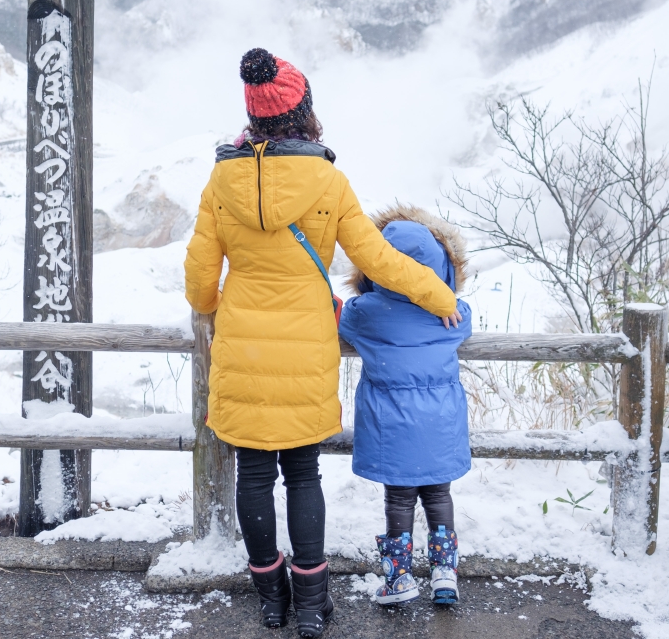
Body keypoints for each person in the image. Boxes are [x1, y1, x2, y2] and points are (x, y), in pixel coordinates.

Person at [184, 48, 462, 637]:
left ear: (253, 117)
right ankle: (312, 604)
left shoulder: (220, 179)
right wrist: (440, 297)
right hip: (306, 348)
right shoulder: (327, 180)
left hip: (241, 349)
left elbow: (200, 286)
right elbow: (379, 260)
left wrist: (220, 305)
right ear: (304, 111)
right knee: (302, 473)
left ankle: (272, 599)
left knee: (253, 476)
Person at [337, 206, 472, 606]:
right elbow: (464, 317)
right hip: (441, 422)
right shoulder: (450, 311)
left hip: (391, 423)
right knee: (438, 495)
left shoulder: (367, 314)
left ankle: (399, 578)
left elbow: (341, 319)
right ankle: (444, 573)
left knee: (399, 498)